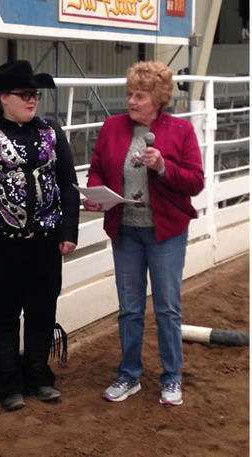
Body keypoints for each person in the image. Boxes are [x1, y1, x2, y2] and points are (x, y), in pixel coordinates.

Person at [0, 60, 80, 411]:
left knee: (43, 310)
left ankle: (39, 375)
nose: (32, 101)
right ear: (3, 97)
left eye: (35, 94)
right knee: (5, 314)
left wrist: (68, 230)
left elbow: (68, 184)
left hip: (46, 242)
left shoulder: (52, 132)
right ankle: (7, 382)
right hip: (1, 245)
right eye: (24, 95)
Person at [84, 61, 204, 406]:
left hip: (165, 232)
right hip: (126, 231)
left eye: (139, 96)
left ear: (158, 99)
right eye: (129, 94)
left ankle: (171, 377)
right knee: (130, 308)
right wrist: (96, 194)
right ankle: (129, 374)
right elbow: (96, 170)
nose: (132, 102)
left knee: (167, 308)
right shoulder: (111, 127)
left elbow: (195, 182)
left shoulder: (180, 132)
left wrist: (163, 166)